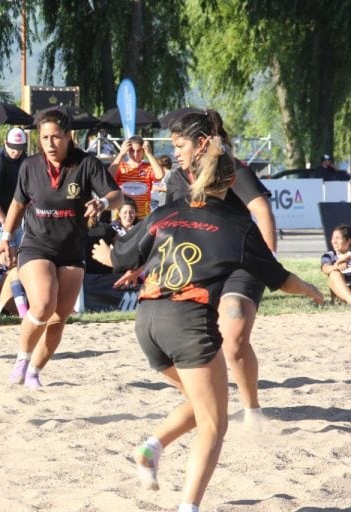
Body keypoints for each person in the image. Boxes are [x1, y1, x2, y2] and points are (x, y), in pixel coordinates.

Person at [92, 135, 323, 512]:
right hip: (187, 323)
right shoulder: (237, 225)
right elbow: (279, 278)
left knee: (205, 401)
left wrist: (107, 255)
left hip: (147, 322)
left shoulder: (167, 211)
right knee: (215, 423)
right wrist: (311, 290)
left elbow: (122, 257)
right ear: (232, 182)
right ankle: (190, 506)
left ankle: (152, 447)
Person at [166, 110, 278, 429]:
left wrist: (268, 262)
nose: (174, 153)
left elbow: (262, 210)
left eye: (180, 145)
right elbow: (168, 225)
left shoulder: (232, 170)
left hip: (243, 264)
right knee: (195, 341)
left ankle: (252, 410)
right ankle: (205, 399)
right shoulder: (176, 179)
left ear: (200, 144)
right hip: (201, 268)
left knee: (234, 340)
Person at [0, 108, 122, 389]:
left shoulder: (87, 164)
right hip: (36, 245)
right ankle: (22, 358)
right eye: (44, 138)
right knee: (42, 304)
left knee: (58, 318)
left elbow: (117, 195)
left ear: (69, 136)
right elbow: (18, 204)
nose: (50, 143)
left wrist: (102, 203)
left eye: (55, 137)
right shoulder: (30, 166)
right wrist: (5, 237)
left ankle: (35, 372)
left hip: (72, 250)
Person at [0, 127, 27, 248]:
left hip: (15, 220)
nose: (16, 152)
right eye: (12, 147)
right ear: (5, 142)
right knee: (5, 258)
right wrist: (3, 220)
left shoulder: (23, 158)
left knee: (19, 255)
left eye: (20, 148)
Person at [108, 136, 164, 219]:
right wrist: (121, 154)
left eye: (139, 151)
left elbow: (160, 175)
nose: (135, 154)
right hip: (123, 217)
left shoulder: (148, 167)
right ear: (127, 151)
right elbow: (108, 176)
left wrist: (149, 154)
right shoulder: (121, 167)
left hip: (143, 217)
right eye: (132, 151)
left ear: (143, 150)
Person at [320, 224, 351, 305]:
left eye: (338, 238)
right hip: (341, 293)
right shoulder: (330, 255)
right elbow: (325, 268)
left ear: (348, 241)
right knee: (334, 274)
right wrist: (336, 266)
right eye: (333, 238)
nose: (334, 241)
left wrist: (346, 257)